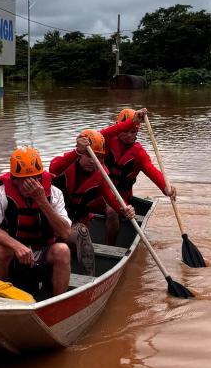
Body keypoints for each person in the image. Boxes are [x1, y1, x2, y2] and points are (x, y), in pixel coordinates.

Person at [0, 146, 73, 296]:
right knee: (1, 249)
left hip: (45, 249)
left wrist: (42, 200)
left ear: (40, 178)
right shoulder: (2, 193)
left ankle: (58, 301)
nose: (28, 184)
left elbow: (65, 232)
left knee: (63, 251)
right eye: (23, 179)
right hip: (15, 249)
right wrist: (17, 246)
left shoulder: (55, 193)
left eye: (34, 179)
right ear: (13, 179)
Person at [49, 129, 135, 275]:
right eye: (89, 156)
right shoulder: (66, 164)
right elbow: (54, 168)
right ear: (80, 153)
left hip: (71, 226)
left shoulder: (100, 175)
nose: (93, 161)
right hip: (50, 224)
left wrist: (125, 209)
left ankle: (89, 279)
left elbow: (111, 198)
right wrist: (77, 151)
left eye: (99, 157)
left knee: (83, 230)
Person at [99, 107, 177, 245]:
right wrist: (131, 122)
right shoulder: (107, 141)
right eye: (126, 131)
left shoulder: (139, 154)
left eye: (133, 132)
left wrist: (166, 187)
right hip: (99, 193)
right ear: (119, 128)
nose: (129, 135)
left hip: (121, 197)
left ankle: (109, 247)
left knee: (112, 212)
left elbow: (152, 171)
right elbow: (101, 134)